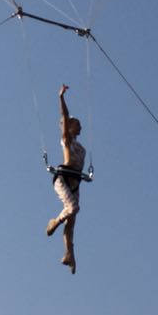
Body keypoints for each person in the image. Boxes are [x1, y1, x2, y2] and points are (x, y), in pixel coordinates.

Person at [46, 84, 86, 274]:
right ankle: (54, 221)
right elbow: (64, 115)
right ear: (70, 127)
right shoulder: (67, 140)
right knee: (72, 208)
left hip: (75, 184)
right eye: (77, 123)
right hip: (62, 178)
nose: (80, 125)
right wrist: (61, 97)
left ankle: (70, 255)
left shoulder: (82, 148)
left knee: (72, 223)